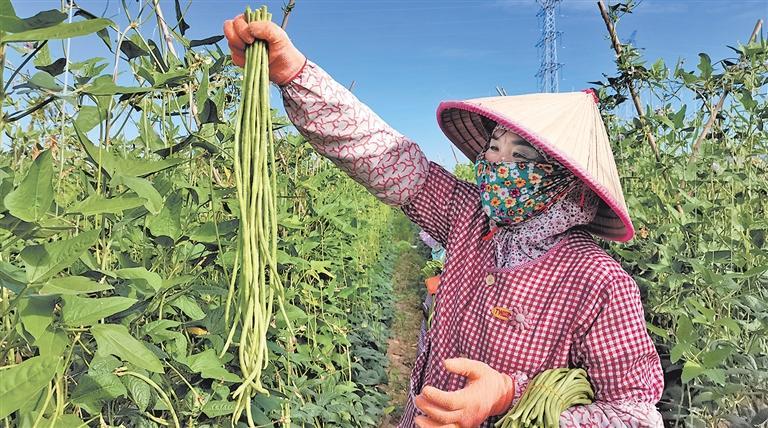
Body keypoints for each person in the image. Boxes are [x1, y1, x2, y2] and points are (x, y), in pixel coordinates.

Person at [224, 15, 665, 428]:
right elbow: (382, 154)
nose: (495, 164)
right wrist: (294, 75)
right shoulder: (468, 217)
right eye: (493, 148)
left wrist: (511, 396)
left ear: (568, 184)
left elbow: (635, 414)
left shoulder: (597, 282)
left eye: (520, 156)